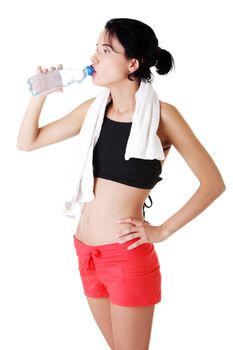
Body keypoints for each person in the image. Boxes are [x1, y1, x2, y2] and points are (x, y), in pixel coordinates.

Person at [17, 18, 225, 350]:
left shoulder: (163, 116)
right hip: (85, 252)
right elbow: (28, 142)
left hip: (125, 258)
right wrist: (39, 95)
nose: (94, 57)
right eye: (96, 48)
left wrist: (162, 231)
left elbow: (213, 184)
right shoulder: (93, 110)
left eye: (105, 50)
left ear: (132, 63)